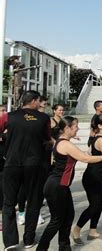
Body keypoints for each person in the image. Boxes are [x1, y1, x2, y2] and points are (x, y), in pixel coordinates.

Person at [37, 116, 102, 251]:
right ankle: (41, 248)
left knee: (68, 217)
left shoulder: (65, 142)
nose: (78, 129)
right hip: (56, 186)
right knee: (57, 221)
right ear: (67, 128)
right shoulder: (65, 144)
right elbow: (85, 158)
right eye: (76, 126)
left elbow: (83, 153)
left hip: (62, 186)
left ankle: (64, 247)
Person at [2, 90, 52, 249]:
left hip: (12, 164)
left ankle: (10, 243)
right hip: (34, 164)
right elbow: (47, 139)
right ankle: (29, 239)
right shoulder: (44, 118)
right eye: (39, 101)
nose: (40, 104)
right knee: (33, 201)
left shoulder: (8, 116)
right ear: (34, 101)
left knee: (8, 203)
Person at [73, 114, 102, 243]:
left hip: (97, 176)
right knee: (95, 205)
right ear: (100, 125)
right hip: (92, 177)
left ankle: (93, 230)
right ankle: (76, 229)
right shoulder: (101, 140)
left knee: (100, 203)